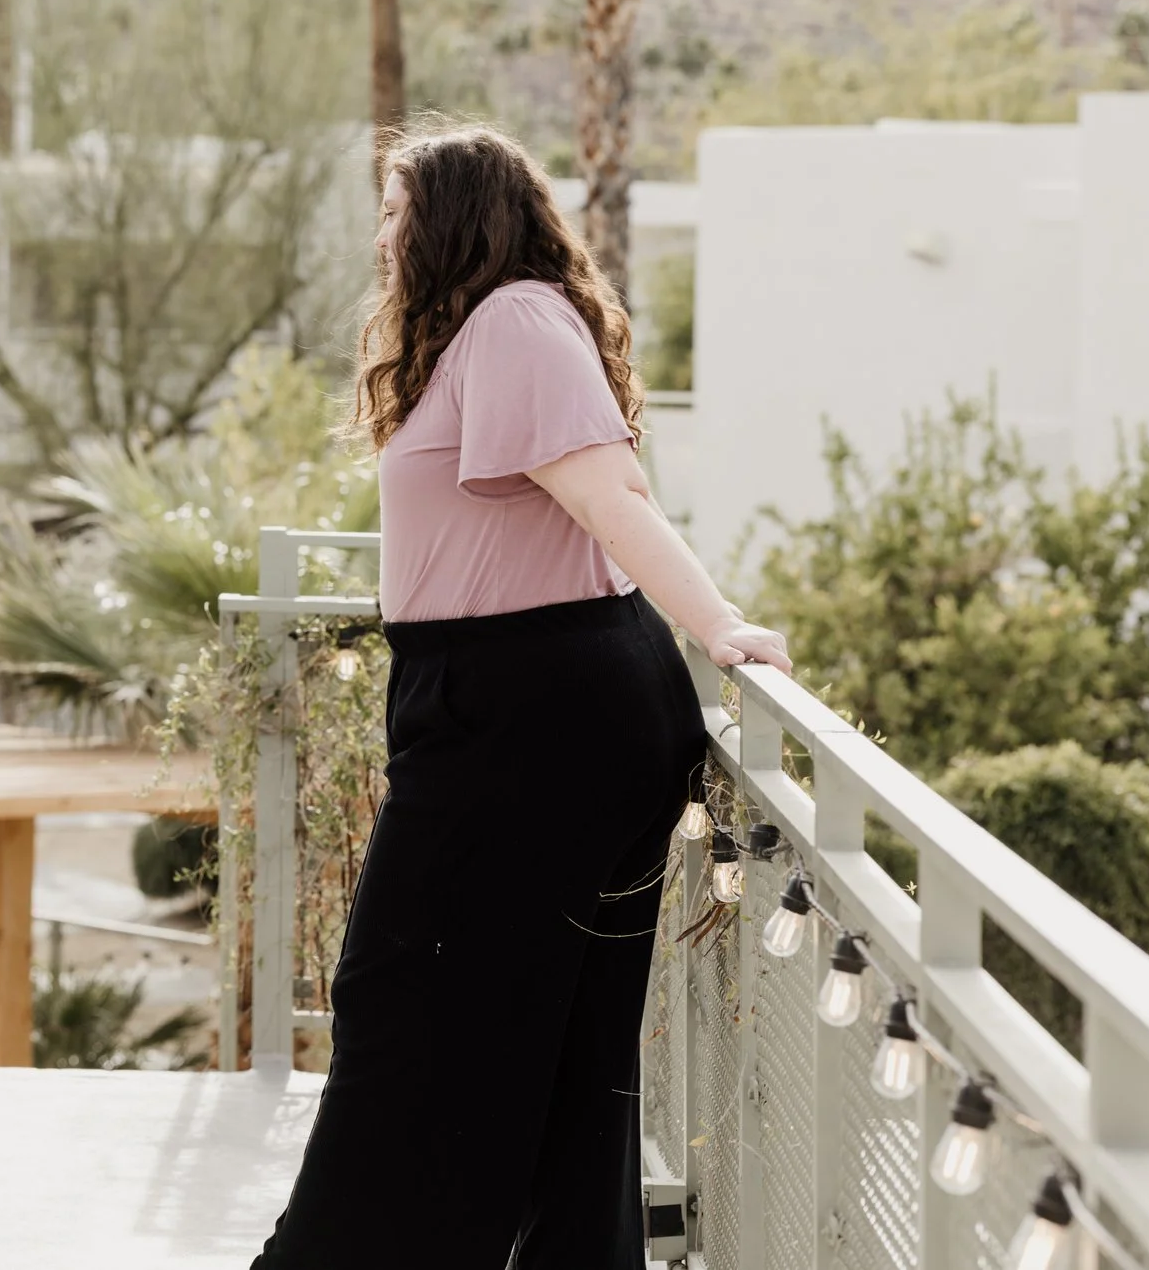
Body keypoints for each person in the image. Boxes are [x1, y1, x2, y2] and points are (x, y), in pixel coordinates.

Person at [251, 126, 792, 1270]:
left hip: (531, 707)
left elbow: (611, 497)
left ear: (456, 221)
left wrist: (723, 628)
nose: (382, 234)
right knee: (546, 1033)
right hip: (517, 697)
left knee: (402, 990)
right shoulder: (489, 329)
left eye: (398, 213)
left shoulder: (513, 320)